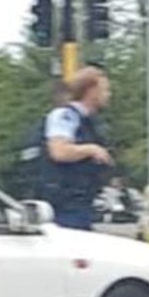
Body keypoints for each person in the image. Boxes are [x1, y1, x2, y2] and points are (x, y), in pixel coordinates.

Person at [37, 66, 114, 230]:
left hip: (80, 201)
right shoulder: (65, 116)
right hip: (64, 204)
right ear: (91, 91)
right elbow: (59, 151)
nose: (108, 95)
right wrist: (91, 149)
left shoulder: (88, 122)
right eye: (105, 90)